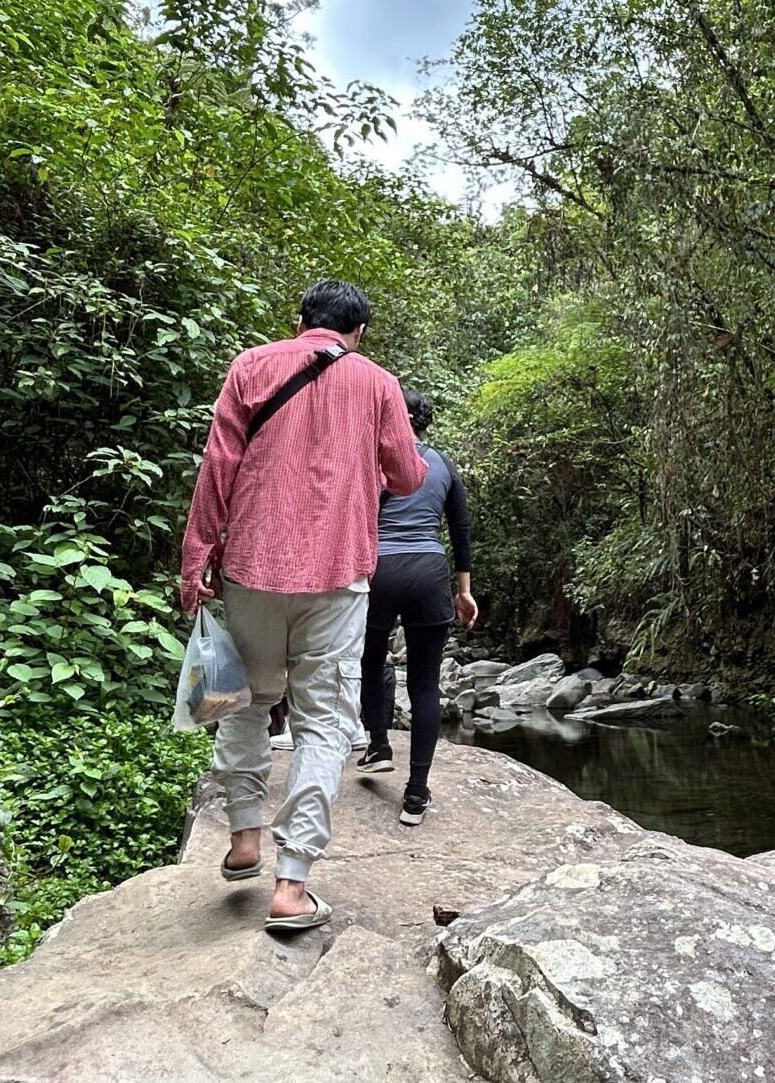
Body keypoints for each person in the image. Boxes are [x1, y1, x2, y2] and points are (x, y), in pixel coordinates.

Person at [180, 280, 425, 931]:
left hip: (252, 568)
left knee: (245, 700)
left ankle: (242, 838)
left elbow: (217, 466)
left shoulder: (250, 367)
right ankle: (291, 885)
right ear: (359, 332)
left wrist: (196, 554)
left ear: (298, 322)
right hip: (338, 576)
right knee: (322, 721)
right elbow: (407, 476)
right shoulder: (378, 383)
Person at [355, 389, 478, 826]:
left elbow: (356, 518)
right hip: (430, 571)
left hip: (380, 571)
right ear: (426, 422)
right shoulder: (443, 464)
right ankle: (416, 794)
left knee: (371, 660)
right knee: (425, 687)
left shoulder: (373, 461)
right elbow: (459, 531)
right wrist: (464, 591)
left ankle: (378, 746)